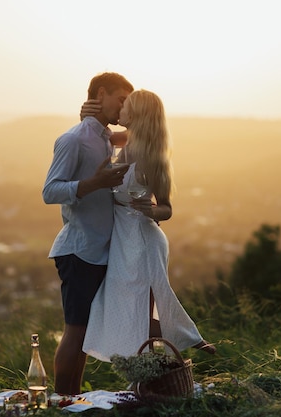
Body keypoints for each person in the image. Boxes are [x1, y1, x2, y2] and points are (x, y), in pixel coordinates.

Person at [81, 89, 216, 363]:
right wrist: (84, 116)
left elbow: (167, 208)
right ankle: (159, 357)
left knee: (148, 300)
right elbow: (97, 136)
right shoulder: (125, 140)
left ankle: (175, 349)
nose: (120, 109)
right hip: (123, 239)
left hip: (143, 239)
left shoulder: (153, 157)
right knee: (125, 302)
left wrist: (153, 209)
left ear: (137, 113)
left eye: (126, 105)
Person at [42, 72, 133, 395]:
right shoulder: (73, 139)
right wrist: (96, 183)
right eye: (121, 99)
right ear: (102, 93)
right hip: (78, 250)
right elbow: (50, 191)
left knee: (85, 335)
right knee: (76, 332)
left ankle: (73, 399)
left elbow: (144, 132)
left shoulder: (106, 138)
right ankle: (61, 403)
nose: (126, 106)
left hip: (100, 250)